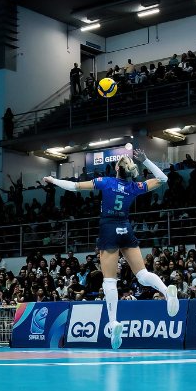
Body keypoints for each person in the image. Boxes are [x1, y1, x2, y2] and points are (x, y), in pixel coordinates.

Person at [43, 150, 178, 350]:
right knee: (142, 274)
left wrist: (53, 181)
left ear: (116, 168)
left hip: (108, 231)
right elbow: (163, 178)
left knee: (109, 280)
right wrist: (146, 160)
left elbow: (74, 186)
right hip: (126, 229)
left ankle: (114, 321)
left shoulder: (105, 182)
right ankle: (167, 292)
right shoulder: (134, 187)